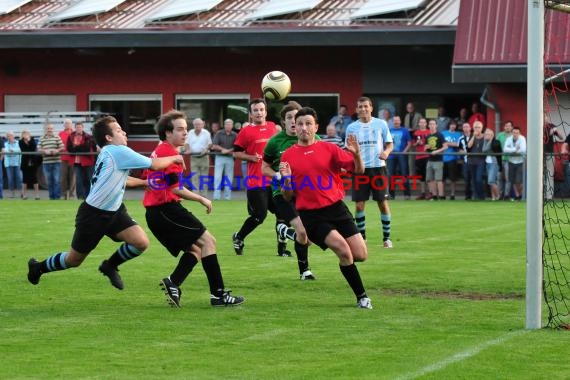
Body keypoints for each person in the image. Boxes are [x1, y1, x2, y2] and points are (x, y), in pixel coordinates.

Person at [27, 116, 184, 290]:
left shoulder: (110, 153)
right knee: (73, 260)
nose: (123, 132)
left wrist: (146, 183)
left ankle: (110, 265)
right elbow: (155, 164)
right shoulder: (118, 151)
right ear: (109, 138)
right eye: (118, 130)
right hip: (93, 215)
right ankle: (38, 267)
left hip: (114, 211)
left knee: (141, 242)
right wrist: (175, 157)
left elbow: (124, 180)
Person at [143, 110, 244, 308]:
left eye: (186, 129)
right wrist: (201, 199)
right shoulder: (168, 153)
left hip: (161, 212)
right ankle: (218, 295)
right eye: (180, 129)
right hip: (165, 210)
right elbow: (175, 188)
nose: (185, 133)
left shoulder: (163, 150)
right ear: (167, 133)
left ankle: (174, 282)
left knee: (197, 249)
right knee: (208, 241)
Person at [280, 106, 372, 309]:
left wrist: (356, 155)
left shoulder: (329, 149)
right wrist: (286, 179)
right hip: (311, 215)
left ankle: (293, 234)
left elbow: (358, 170)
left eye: (308, 124)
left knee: (360, 255)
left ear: (316, 127)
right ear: (295, 128)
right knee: (344, 251)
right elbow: (288, 196)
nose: (304, 128)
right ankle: (362, 298)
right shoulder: (288, 155)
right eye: (300, 124)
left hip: (336, 208)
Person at [262, 100, 314, 279]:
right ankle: (305, 271)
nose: (293, 121)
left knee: (307, 235)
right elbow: (264, 168)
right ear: (283, 121)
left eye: (296, 117)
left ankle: (304, 270)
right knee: (301, 232)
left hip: (305, 193)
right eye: (289, 118)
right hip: (281, 194)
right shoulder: (275, 142)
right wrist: (280, 176)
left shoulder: (314, 138)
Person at [232, 98, 286, 256]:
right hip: (256, 180)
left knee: (282, 214)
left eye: (261, 109)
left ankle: (282, 250)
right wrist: (251, 157)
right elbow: (236, 153)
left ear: (266, 112)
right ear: (250, 114)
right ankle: (239, 237)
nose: (259, 112)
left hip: (274, 179)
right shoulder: (246, 131)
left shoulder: (273, 128)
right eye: (255, 110)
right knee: (259, 216)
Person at [345, 96, 394, 247]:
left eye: (366, 106)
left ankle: (386, 238)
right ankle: (363, 238)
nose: (363, 109)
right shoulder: (351, 128)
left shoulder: (381, 124)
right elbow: (348, 149)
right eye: (360, 107)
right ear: (357, 109)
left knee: (383, 203)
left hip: (378, 168)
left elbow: (390, 144)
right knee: (359, 205)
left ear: (371, 108)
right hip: (360, 170)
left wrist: (386, 153)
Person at [67, 122, 97, 199]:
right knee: (79, 180)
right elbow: (69, 148)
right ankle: (80, 197)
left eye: (80, 127)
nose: (78, 129)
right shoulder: (71, 136)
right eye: (77, 127)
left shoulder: (88, 136)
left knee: (89, 180)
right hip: (76, 162)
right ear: (75, 128)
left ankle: (89, 197)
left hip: (88, 162)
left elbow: (86, 148)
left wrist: (76, 148)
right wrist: (80, 148)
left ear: (82, 128)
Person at [184, 118, 211, 197]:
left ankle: (204, 195)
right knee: (194, 177)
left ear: (202, 124)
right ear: (193, 125)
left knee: (204, 177)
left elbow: (210, 144)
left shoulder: (206, 133)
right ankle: (196, 195)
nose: (197, 126)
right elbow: (186, 143)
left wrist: (206, 149)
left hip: (204, 157)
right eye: (196, 124)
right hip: (193, 157)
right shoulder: (190, 132)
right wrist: (188, 149)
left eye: (199, 124)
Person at [210, 118, 237, 200]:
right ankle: (216, 197)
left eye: (230, 124)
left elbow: (237, 146)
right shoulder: (219, 133)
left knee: (229, 178)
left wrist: (228, 151)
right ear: (224, 125)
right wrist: (222, 149)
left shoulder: (235, 135)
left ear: (232, 126)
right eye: (226, 124)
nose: (228, 126)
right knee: (217, 178)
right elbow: (214, 145)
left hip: (230, 158)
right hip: (219, 157)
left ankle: (227, 197)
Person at [387, 115, 411, 200]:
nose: (396, 122)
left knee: (404, 174)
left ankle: (407, 195)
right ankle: (391, 195)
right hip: (391, 156)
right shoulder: (389, 131)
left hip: (402, 155)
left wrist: (405, 151)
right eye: (395, 121)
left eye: (397, 120)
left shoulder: (405, 130)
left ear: (400, 121)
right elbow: (386, 142)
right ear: (393, 122)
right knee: (391, 176)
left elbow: (409, 143)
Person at [38, 124, 64, 200]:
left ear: (53, 129)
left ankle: (57, 197)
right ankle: (51, 197)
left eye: (51, 128)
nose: (50, 130)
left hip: (56, 162)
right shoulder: (42, 138)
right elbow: (38, 149)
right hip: (46, 162)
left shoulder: (57, 137)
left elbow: (62, 147)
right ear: (46, 129)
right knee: (49, 181)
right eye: (48, 128)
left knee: (56, 180)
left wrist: (57, 150)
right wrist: (45, 151)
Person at [425, 119, 448, 200]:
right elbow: (426, 148)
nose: (431, 125)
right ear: (428, 126)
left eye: (433, 124)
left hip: (438, 159)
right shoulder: (427, 136)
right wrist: (426, 148)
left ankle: (441, 196)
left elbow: (445, 146)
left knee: (438, 179)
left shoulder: (440, 135)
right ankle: (434, 195)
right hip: (430, 159)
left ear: (436, 125)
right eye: (430, 124)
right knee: (430, 179)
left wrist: (436, 151)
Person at [503, 126, 526, 201]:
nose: (515, 134)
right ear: (512, 133)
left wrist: (510, 149)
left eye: (517, 133)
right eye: (514, 132)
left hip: (520, 162)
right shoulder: (508, 139)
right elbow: (505, 149)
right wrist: (515, 149)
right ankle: (517, 195)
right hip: (511, 161)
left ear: (519, 133)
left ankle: (521, 194)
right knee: (512, 180)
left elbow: (523, 150)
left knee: (519, 180)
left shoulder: (522, 138)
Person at [441, 120, 462, 200]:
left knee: (453, 178)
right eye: (451, 124)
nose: (453, 126)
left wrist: (448, 143)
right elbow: (441, 143)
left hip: (453, 158)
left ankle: (452, 194)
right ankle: (442, 194)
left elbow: (458, 144)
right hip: (443, 158)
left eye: (454, 125)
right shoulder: (443, 133)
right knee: (442, 179)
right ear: (449, 125)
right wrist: (452, 144)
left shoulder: (458, 134)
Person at [19, 130, 41, 200]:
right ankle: (24, 195)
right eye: (24, 134)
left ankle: (37, 195)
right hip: (25, 162)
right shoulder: (20, 141)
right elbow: (24, 150)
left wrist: (28, 140)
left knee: (34, 178)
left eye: (27, 133)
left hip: (33, 162)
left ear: (29, 134)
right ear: (22, 135)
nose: (25, 135)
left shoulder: (33, 140)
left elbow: (33, 148)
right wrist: (26, 141)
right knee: (25, 179)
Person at [467, 121, 486, 200]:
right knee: (474, 180)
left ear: (482, 128)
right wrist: (473, 137)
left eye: (478, 127)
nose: (477, 129)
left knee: (479, 179)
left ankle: (481, 196)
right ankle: (476, 196)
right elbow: (469, 146)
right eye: (475, 127)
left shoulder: (485, 136)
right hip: (471, 161)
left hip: (481, 161)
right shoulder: (472, 136)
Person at [413, 118, 431, 199]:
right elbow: (413, 144)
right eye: (421, 122)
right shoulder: (416, 133)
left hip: (427, 156)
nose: (422, 123)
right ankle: (423, 193)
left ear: (426, 124)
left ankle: (430, 193)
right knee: (421, 177)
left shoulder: (429, 132)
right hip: (418, 156)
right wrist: (417, 143)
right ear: (419, 124)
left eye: (424, 122)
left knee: (428, 175)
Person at [483, 128, 502, 201]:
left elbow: (486, 149)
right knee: (491, 181)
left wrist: (490, 140)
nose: (486, 135)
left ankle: (498, 195)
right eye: (485, 134)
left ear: (492, 135)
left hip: (494, 163)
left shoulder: (496, 142)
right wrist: (486, 140)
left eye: (488, 134)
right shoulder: (485, 141)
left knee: (491, 181)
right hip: (488, 163)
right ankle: (493, 197)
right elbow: (483, 150)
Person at [59, 119, 76, 200]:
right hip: (63, 158)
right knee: (63, 177)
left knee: (72, 177)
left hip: (73, 158)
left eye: (69, 123)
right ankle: (64, 194)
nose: (67, 125)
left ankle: (71, 194)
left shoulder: (75, 134)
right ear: (64, 125)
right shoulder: (60, 134)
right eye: (66, 123)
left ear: (71, 125)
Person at [3, 131, 23, 198]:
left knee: (19, 178)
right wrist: (14, 151)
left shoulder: (18, 142)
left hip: (17, 163)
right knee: (10, 179)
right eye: (8, 136)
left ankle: (21, 193)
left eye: (11, 135)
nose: (10, 137)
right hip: (8, 164)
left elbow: (19, 150)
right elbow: (5, 151)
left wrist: (12, 151)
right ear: (7, 137)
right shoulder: (5, 143)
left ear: (13, 136)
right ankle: (12, 194)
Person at [496, 121, 513, 200]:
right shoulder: (499, 135)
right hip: (499, 159)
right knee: (499, 178)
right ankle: (500, 195)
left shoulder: (514, 135)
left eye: (509, 126)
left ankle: (506, 195)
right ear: (504, 127)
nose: (507, 127)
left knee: (507, 178)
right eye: (506, 126)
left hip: (509, 160)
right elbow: (495, 146)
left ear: (512, 127)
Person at [457, 122, 473, 200]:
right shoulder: (460, 138)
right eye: (464, 127)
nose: (466, 128)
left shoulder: (474, 137)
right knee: (467, 179)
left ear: (470, 128)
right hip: (466, 161)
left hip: (474, 161)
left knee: (474, 178)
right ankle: (467, 196)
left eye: (467, 127)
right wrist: (463, 152)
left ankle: (475, 195)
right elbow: (459, 149)